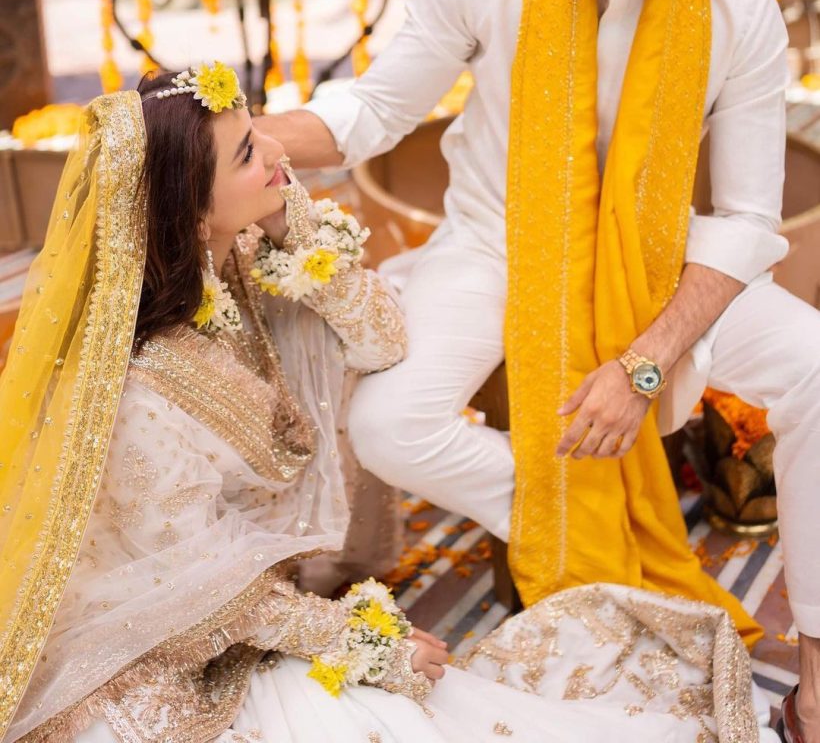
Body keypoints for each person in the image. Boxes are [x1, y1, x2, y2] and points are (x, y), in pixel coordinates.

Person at [256, 0, 820, 742]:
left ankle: (816, 653)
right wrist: (248, 138)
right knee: (386, 421)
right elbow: (377, 109)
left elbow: (740, 220)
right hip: (494, 239)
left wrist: (643, 363)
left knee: (815, 364)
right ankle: (580, 524)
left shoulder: (736, 7)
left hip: (653, 260)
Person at [0, 67, 775, 743]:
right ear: (191, 211)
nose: (276, 149)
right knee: (385, 709)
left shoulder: (239, 262)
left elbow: (381, 341)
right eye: (246, 152)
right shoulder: (140, 388)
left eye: (258, 129)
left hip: (244, 603)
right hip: (153, 649)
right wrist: (363, 641)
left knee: (414, 698)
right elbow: (209, 589)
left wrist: (295, 229)